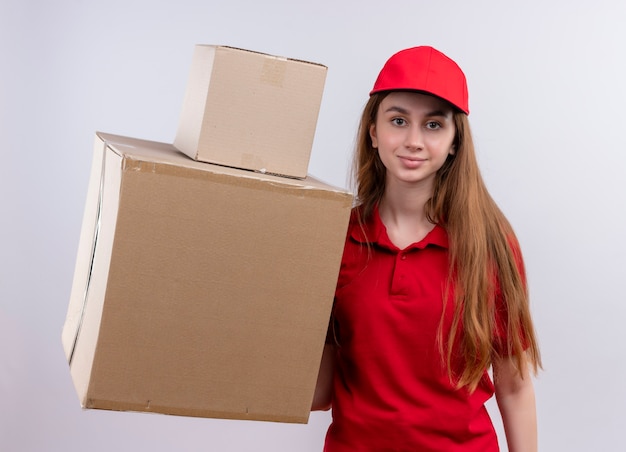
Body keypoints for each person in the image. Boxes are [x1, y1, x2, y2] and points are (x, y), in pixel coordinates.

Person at [312, 46, 542, 452]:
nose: (413, 141)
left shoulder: (490, 243)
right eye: (398, 120)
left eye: (433, 125)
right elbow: (318, 393)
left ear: (455, 141)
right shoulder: (335, 238)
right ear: (373, 131)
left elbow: (515, 388)